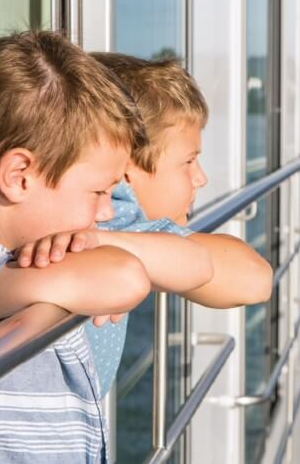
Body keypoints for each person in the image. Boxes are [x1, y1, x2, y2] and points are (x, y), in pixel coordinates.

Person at [0, 30, 213, 462]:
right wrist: (96, 261)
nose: (105, 213)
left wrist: (95, 245)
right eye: (98, 192)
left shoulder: (39, 256)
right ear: (19, 176)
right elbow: (123, 278)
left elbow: (199, 265)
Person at [83, 52, 274, 396]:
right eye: (188, 162)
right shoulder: (114, 219)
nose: (200, 178)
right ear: (125, 167)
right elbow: (254, 279)